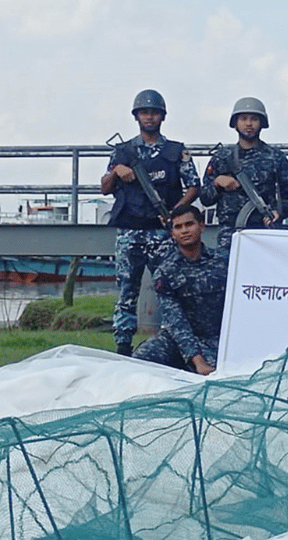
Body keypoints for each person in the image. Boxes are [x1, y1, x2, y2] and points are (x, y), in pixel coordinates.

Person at [101, 89, 200, 356]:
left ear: (162, 117)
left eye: (154, 112)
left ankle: (173, 343)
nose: (149, 117)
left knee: (169, 289)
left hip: (161, 231)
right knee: (126, 292)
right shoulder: (123, 151)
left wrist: (176, 211)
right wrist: (116, 171)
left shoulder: (175, 151)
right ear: (136, 117)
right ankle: (123, 346)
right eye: (144, 112)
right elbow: (104, 188)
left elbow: (193, 186)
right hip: (130, 231)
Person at [133, 204, 227, 375]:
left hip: (216, 338)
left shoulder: (225, 262)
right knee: (141, 359)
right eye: (178, 227)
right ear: (172, 234)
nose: (184, 230)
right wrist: (197, 360)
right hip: (179, 338)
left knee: (221, 371)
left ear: (202, 226)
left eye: (189, 224)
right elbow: (176, 322)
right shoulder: (166, 272)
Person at [200, 97, 288, 249]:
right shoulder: (221, 157)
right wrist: (217, 183)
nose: (249, 124)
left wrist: (279, 212)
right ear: (235, 123)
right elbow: (205, 198)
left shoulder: (275, 157)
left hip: (265, 231)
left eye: (254, 119)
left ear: (262, 123)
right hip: (229, 234)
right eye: (243, 119)